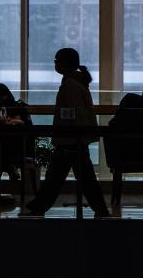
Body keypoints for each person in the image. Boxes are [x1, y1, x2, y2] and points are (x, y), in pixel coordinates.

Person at [25, 47, 110, 217]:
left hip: (69, 140)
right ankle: (101, 210)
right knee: (83, 179)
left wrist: (67, 132)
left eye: (57, 61)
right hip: (75, 140)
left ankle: (38, 207)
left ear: (65, 64)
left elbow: (71, 113)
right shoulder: (77, 82)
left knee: (56, 178)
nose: (55, 64)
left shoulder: (70, 85)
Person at [0, 84, 34, 182]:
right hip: (20, 146)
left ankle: (7, 169)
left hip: (11, 146)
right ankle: (9, 167)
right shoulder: (16, 107)